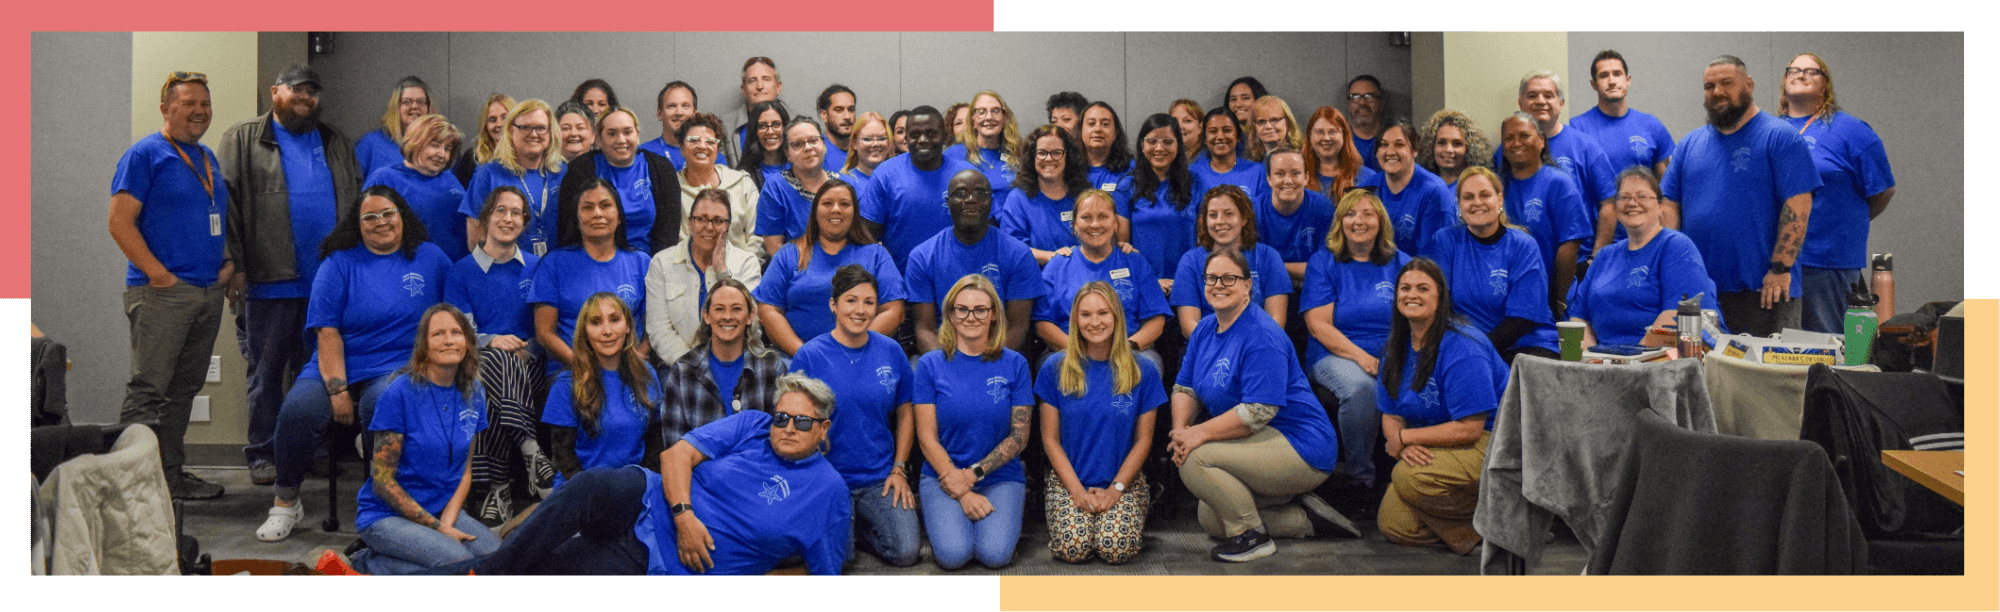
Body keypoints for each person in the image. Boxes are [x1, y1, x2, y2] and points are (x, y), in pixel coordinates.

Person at [369, 374, 852, 576]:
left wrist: (760, 559)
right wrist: (684, 514)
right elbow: (674, 458)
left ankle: (377, 569)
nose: (786, 427)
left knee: (541, 567)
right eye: (782, 417)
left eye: (801, 421)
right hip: (644, 495)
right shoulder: (753, 425)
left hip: (658, 557)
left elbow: (822, 564)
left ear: (823, 429)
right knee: (587, 488)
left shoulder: (828, 493)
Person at [257, 185, 452, 542]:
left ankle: (386, 503)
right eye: (370, 217)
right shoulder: (339, 262)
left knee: (383, 402)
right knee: (298, 410)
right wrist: (337, 390)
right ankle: (286, 501)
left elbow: (450, 316)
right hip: (337, 361)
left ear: (402, 217)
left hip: (398, 363)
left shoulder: (432, 258)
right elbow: (327, 332)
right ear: (358, 224)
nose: (381, 222)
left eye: (388, 214)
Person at [219, 64, 363, 496]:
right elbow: (226, 206)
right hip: (267, 282)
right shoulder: (242, 138)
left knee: (316, 375)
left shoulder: (334, 139)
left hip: (325, 284)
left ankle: (310, 451)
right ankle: (263, 453)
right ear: (275, 92)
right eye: (296, 90)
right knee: (266, 374)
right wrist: (235, 263)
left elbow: (355, 200)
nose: (306, 97)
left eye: (312, 92)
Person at [1169, 248, 1350, 563]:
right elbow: (1185, 388)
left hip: (1300, 443)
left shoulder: (1261, 334)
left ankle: (1253, 537)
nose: (1219, 285)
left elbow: (1258, 412)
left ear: (1247, 286)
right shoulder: (1204, 329)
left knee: (1196, 460)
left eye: (1229, 278)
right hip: (1257, 440)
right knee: (1210, 517)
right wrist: (1180, 430)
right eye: (1212, 278)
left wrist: (1196, 436)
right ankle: (1305, 518)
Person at [111, 71, 234, 500]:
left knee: (183, 391)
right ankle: (131, 487)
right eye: (189, 104)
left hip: (205, 291)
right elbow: (119, 222)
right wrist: (159, 275)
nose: (200, 111)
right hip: (162, 292)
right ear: (166, 108)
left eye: (205, 104)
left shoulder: (206, 158)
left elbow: (214, 216)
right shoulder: (145, 155)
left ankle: (169, 477)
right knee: (149, 392)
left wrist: (228, 262)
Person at [1661, 55, 1819, 338]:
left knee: (1766, 379)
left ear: (1749, 85)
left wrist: (1780, 267)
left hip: (1765, 289)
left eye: (1726, 83)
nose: (1717, 92)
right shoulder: (1689, 144)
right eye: (1709, 86)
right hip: (1703, 291)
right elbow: (1670, 204)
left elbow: (1798, 205)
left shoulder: (1780, 137)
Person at [349, 304, 500, 574]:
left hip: (442, 509)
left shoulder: (474, 391)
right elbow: (383, 482)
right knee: (458, 563)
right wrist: (439, 529)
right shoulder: (398, 393)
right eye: (438, 334)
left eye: (456, 332)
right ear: (424, 346)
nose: (449, 339)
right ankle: (367, 563)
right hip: (386, 516)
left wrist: (450, 520)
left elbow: (465, 469)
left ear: (467, 342)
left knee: (497, 560)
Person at [788, 266, 922, 567]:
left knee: (906, 552)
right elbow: (794, 424)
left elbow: (906, 410)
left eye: (869, 302)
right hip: (829, 479)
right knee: (841, 559)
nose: (860, 310)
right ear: (833, 304)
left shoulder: (890, 350)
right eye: (851, 300)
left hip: (879, 478)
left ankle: (857, 527)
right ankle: (847, 532)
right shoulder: (809, 355)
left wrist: (899, 468)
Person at [1374, 257, 1507, 555]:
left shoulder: (1463, 345)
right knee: (1394, 524)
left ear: (1440, 297)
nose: (1412, 295)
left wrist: (1405, 439)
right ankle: (1485, 532)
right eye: (1405, 288)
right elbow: (1391, 412)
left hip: (1494, 440)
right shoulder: (1396, 345)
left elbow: (1469, 429)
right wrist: (1402, 443)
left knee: (1408, 478)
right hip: (1437, 442)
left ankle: (1509, 515)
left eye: (1423, 288)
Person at [442, 186, 552, 523]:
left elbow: (544, 327)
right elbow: (458, 333)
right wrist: (491, 341)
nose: (508, 218)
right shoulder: (460, 271)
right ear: (486, 218)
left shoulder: (537, 267)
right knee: (494, 362)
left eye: (516, 213)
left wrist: (525, 347)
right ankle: (530, 449)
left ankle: (496, 488)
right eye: (501, 211)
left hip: (531, 364)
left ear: (524, 222)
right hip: (476, 365)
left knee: (494, 385)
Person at [1036, 282, 1166, 564]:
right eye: (1085, 315)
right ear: (1075, 320)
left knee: (1116, 548)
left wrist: (1116, 489)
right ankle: (1078, 520)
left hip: (1124, 481)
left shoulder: (1143, 369)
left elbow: (1144, 441)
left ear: (1116, 317)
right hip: (1068, 480)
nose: (1094, 322)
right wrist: (1077, 492)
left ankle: (1120, 516)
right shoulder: (1054, 368)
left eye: (1103, 313)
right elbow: (1050, 440)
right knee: (1075, 547)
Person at [914, 274, 1035, 570]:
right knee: (953, 556)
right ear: (951, 315)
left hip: (999, 476)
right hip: (943, 474)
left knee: (995, 555)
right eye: (962, 309)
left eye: (980, 309)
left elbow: (1019, 437)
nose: (971, 317)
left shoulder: (1015, 364)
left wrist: (972, 476)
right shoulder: (930, 364)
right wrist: (961, 489)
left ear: (994, 314)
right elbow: (927, 437)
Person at [1301, 188, 1412, 494]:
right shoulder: (1323, 263)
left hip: (1391, 351)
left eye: (1367, 213)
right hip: (1334, 353)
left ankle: (1407, 473)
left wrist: (1394, 357)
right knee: (1362, 388)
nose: (1358, 221)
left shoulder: (1403, 263)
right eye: (1349, 214)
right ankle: (1360, 478)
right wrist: (1361, 358)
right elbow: (1318, 325)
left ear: (1381, 221)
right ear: (1339, 223)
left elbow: (1416, 319)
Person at [1778, 52, 1897, 335]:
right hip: (1778, 261)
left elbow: (1883, 191)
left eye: (1811, 71)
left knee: (1829, 347)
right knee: (1781, 348)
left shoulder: (1850, 130)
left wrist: (1846, 222)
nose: (1801, 74)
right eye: (1793, 69)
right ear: (1784, 81)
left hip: (1827, 261)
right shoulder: (1770, 130)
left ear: (1825, 85)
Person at [1568, 167, 1724, 348]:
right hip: (1603, 364)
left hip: (1656, 364)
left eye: (1642, 196)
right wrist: (1587, 362)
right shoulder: (1603, 256)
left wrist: (1632, 363)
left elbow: (1677, 317)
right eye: (1624, 197)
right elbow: (1578, 317)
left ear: (1660, 208)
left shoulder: (1676, 246)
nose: (1632, 203)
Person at [756, 179, 906, 355]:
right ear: (815, 212)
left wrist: (852, 349)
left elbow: (894, 311)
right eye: (827, 203)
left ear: (854, 213)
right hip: (798, 360)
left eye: (844, 204)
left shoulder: (876, 255)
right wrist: (805, 354)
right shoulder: (789, 254)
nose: (836, 209)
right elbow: (768, 310)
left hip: (863, 356)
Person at [906, 169, 1044, 354]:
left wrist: (983, 368)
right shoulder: (922, 257)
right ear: (948, 203)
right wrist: (948, 370)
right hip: (944, 356)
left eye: (980, 193)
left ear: (991, 202)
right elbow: (925, 330)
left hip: (998, 356)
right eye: (960, 193)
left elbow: (1016, 328)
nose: (970, 199)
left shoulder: (1018, 254)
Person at [1428, 166, 1559, 363]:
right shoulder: (1445, 241)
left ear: (1499, 200)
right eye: (1468, 197)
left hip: (1526, 345)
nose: (1477, 202)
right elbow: (1440, 306)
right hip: (1469, 347)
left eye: (1485, 195)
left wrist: (1480, 352)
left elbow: (1523, 319)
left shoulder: (1523, 244)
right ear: (1459, 205)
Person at [530, 179, 651, 377]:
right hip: (571, 371)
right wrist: (583, 368)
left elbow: (652, 330)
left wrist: (634, 364)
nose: (597, 214)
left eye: (605, 206)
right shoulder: (554, 263)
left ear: (619, 216)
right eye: (587, 207)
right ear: (576, 220)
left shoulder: (642, 262)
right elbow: (545, 333)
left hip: (630, 372)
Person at [1036, 190, 1169, 369]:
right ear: (1074, 224)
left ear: (1115, 223)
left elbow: (1156, 319)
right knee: (1050, 366)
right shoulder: (1057, 266)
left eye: (1103, 217)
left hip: (1128, 352)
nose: (1095, 224)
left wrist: (1127, 348)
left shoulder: (1134, 261)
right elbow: (1042, 323)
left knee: (1150, 364)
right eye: (1086, 217)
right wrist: (1077, 351)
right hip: (1070, 353)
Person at [543, 293, 664, 488]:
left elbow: (656, 437)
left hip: (635, 486)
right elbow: (564, 455)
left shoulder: (646, 373)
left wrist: (641, 485)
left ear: (627, 327)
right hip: (581, 488)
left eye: (615, 320)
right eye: (596, 322)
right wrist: (595, 496)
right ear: (585, 332)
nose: (607, 331)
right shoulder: (566, 383)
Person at [1494, 70, 1618, 259]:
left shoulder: (1585, 147)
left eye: (1548, 95)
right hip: (1517, 262)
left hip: (1578, 260)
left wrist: (1595, 259)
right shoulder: (1506, 150)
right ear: (1521, 103)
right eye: (1532, 95)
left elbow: (1609, 204)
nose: (1540, 101)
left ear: (1560, 104)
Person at [659, 276, 789, 447]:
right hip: (701, 471)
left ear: (750, 316)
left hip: (756, 468)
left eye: (736, 309)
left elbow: (781, 435)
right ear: (706, 315)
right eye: (719, 309)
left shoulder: (772, 366)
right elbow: (674, 446)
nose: (727, 317)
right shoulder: (684, 370)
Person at [646, 188, 765, 364]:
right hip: (680, 365)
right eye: (701, 219)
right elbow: (659, 329)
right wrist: (693, 366)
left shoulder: (747, 262)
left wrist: (722, 273)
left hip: (739, 362)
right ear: (689, 223)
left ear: (728, 226)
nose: (709, 227)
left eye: (718, 221)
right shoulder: (662, 262)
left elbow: (752, 326)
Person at [860, 106, 981, 270]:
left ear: (944, 136)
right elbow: (867, 237)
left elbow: (984, 231)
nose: (923, 139)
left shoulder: (967, 175)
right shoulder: (885, 175)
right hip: (901, 282)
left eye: (931, 133)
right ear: (906, 138)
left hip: (959, 281)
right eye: (915, 135)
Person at [1497, 112, 1592, 320]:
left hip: (1555, 299)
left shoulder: (1559, 183)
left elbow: (1568, 248)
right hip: (1509, 301)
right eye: (1509, 138)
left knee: (1566, 352)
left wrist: (1559, 300)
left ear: (1541, 141)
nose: (1516, 143)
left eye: (1524, 136)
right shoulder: (1497, 186)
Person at [557, 105, 684, 256]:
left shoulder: (661, 169)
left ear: (637, 134)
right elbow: (569, 229)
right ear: (599, 137)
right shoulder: (580, 171)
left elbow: (669, 233)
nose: (621, 140)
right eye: (611, 134)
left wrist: (655, 269)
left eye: (627, 132)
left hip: (650, 263)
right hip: (594, 261)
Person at [1172, 185, 1289, 337]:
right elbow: (1189, 325)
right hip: (1208, 347)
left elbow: (1276, 320)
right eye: (1213, 215)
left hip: (1259, 344)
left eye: (1228, 214)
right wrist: (1222, 348)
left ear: (1244, 218)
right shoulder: (1190, 261)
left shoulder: (1268, 256)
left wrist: (1248, 349)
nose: (1220, 221)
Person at [458, 99, 564, 256]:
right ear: (511, 131)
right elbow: (475, 234)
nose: (533, 134)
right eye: (525, 127)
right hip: (505, 272)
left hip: (555, 270)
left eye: (541, 128)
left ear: (550, 132)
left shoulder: (563, 172)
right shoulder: (488, 173)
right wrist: (492, 274)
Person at [364, 114, 470, 261]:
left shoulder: (449, 177)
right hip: (413, 271)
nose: (441, 154)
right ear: (416, 142)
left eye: (447, 148)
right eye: (435, 144)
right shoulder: (385, 179)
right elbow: (368, 233)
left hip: (455, 270)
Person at [1357, 119, 1456, 259]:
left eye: (1399, 144)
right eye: (1384, 145)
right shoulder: (1365, 188)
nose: (1390, 152)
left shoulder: (1434, 192)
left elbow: (1434, 258)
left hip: (1419, 275)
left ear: (1414, 150)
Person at [1568, 50, 1675, 180]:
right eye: (1603, 76)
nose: (1612, 81)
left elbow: (1665, 187)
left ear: (1627, 80)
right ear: (1594, 84)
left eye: (1617, 74)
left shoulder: (1652, 125)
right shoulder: (1576, 128)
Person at [1124, 113, 1197, 300]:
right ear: (1142, 145)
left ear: (1178, 145)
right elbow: (1121, 248)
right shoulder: (1127, 187)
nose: (1159, 148)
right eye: (1152, 141)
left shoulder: (1195, 183)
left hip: (1189, 287)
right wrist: (1148, 281)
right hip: (1143, 288)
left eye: (1167, 141)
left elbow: (1205, 240)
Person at [671, 112, 760, 257]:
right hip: (690, 273)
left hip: (742, 274)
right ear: (681, 147)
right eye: (694, 140)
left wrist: (741, 270)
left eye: (710, 141)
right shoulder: (671, 189)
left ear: (718, 148)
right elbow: (676, 242)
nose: (702, 146)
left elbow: (758, 235)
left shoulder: (742, 183)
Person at [754, 117, 844, 254]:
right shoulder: (776, 187)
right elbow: (775, 251)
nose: (808, 148)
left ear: (824, 145)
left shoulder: (845, 184)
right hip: (798, 270)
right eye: (797, 144)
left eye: (813, 140)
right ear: (788, 154)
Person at [1001, 124, 1089, 264]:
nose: (1048, 159)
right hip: (1036, 279)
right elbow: (1012, 248)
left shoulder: (1085, 196)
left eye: (1056, 152)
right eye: (1042, 152)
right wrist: (1054, 257)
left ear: (1068, 156)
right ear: (1032, 156)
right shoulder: (1018, 199)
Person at [947, 91, 1024, 209]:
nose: (989, 117)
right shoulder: (955, 155)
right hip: (973, 224)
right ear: (972, 121)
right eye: (981, 112)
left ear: (1004, 118)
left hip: (1011, 224)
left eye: (996, 111)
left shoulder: (1018, 153)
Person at [354, 76, 433, 177]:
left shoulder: (440, 146)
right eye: (406, 102)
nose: (414, 106)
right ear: (396, 107)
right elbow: (353, 185)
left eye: (421, 102)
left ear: (428, 108)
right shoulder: (370, 143)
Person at [1189, 108, 1267, 205]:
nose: (1220, 137)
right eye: (1213, 131)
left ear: (1237, 136)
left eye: (1227, 130)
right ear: (1205, 138)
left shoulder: (1258, 172)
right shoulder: (1192, 173)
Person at [1302, 106, 1378, 199]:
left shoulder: (1368, 178)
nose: (1326, 138)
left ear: (1344, 135)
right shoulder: (1298, 177)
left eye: (1332, 131)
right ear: (1309, 136)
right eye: (1319, 132)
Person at [1080, 101, 1135, 211]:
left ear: (1116, 132)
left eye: (1105, 124)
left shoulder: (1132, 168)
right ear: (1080, 130)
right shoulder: (1070, 170)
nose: (1098, 129)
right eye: (1091, 124)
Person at [1418, 109, 1491, 189]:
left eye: (1457, 143)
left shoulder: (1478, 186)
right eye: (1441, 142)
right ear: (1431, 146)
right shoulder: (1421, 185)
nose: (1448, 149)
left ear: (1469, 149)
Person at [641, 80, 705, 170]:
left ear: (695, 114)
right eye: (672, 106)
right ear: (660, 113)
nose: (679, 112)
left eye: (685, 106)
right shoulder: (643, 154)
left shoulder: (709, 152)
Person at [453, 93, 514, 187]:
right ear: (486, 126)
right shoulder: (472, 158)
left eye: (504, 117)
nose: (499, 124)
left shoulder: (529, 157)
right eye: (492, 120)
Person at [731, 57, 784, 162]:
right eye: (752, 81)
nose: (760, 86)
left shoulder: (796, 123)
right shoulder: (724, 127)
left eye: (766, 79)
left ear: (778, 87)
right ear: (743, 90)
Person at [734, 100, 791, 190]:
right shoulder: (742, 177)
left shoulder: (801, 167)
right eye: (762, 126)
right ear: (754, 131)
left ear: (786, 128)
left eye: (776, 124)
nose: (770, 131)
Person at [840, 111, 895, 200]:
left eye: (882, 138)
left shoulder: (898, 180)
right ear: (854, 143)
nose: (875, 144)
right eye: (867, 139)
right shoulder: (844, 184)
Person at [1346, 75, 1386, 172]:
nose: (1362, 102)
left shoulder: (1394, 139)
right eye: (1355, 97)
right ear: (1348, 105)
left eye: (1369, 96)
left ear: (1381, 103)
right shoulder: (1339, 140)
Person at [1248, 95, 1303, 164]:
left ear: (1288, 123)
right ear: (1254, 127)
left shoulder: (1303, 160)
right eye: (1261, 121)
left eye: (1275, 120)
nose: (1268, 126)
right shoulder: (1251, 165)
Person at [815, 84, 855, 170]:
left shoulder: (863, 150)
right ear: (824, 115)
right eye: (838, 110)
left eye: (851, 109)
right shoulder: (815, 152)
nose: (847, 116)